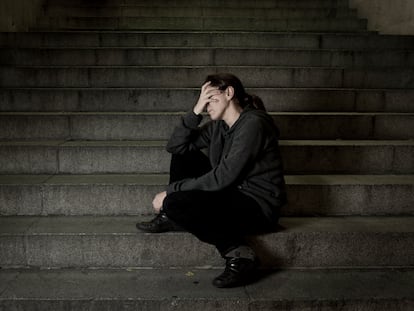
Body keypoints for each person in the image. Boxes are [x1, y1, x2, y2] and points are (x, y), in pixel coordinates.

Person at [136, 73, 287, 288]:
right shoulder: (219, 126)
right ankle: (173, 214)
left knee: (176, 202)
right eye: (204, 101)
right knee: (184, 154)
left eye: (211, 99)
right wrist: (195, 111)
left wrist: (172, 191)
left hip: (257, 206)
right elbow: (175, 146)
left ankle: (240, 255)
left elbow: (224, 176)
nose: (207, 106)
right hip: (232, 193)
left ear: (229, 93)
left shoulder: (253, 124)